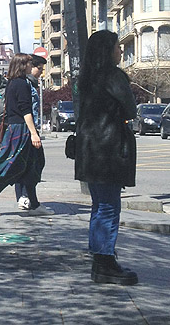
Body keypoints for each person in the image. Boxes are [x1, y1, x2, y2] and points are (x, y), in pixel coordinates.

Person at [75, 30, 138, 285]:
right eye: (117, 46)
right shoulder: (113, 76)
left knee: (99, 205)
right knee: (109, 207)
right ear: (106, 50)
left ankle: (100, 257)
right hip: (108, 149)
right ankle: (105, 262)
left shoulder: (87, 78)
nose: (120, 51)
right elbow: (131, 110)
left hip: (90, 149)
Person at [0, 53, 53, 217]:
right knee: (16, 166)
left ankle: (34, 204)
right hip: (21, 129)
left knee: (31, 166)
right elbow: (25, 111)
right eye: (29, 64)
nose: (31, 66)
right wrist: (33, 133)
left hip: (17, 128)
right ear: (22, 65)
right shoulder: (21, 84)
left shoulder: (14, 82)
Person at [15, 54, 47, 210]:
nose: (41, 72)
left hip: (29, 129)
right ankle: (24, 197)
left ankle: (26, 198)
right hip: (27, 130)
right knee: (32, 164)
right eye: (39, 68)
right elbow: (26, 110)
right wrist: (33, 132)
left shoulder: (31, 84)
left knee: (27, 164)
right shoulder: (25, 84)